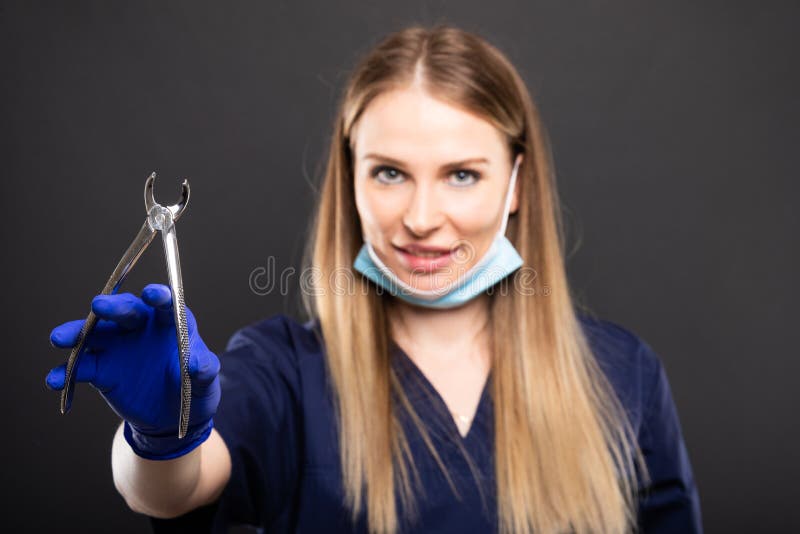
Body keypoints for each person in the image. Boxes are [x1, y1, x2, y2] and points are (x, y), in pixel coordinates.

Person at [45, 24, 702, 534]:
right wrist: (161, 438)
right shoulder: (286, 373)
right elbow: (175, 489)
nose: (420, 218)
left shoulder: (623, 374)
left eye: (462, 174)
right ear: (351, 180)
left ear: (516, 185)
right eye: (390, 172)